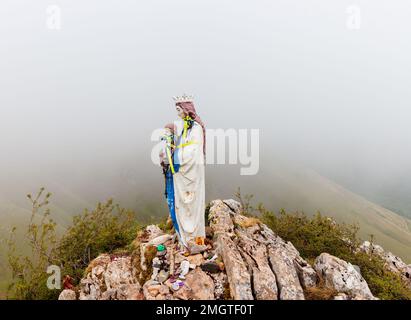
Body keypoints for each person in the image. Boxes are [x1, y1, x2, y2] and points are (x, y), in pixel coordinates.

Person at [170, 95, 206, 253]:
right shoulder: (186, 128)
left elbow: (193, 150)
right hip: (183, 174)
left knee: (193, 203)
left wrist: (177, 157)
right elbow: (181, 145)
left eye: (179, 110)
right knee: (183, 204)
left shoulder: (196, 128)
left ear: (186, 110)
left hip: (192, 171)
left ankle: (197, 239)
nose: (177, 113)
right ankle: (184, 238)